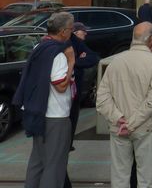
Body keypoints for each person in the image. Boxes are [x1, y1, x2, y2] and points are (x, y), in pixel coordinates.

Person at [96, 22, 152, 188]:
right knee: (146, 180)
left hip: (118, 128)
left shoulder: (116, 62)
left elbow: (102, 98)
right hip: (145, 128)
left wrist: (119, 118)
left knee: (119, 178)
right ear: (151, 40)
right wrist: (131, 123)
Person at [12, 12, 75, 188]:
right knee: (54, 165)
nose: (72, 32)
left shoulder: (38, 48)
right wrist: (71, 62)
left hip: (37, 112)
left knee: (37, 162)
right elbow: (60, 86)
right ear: (63, 31)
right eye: (71, 29)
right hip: (56, 116)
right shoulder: (59, 54)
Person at [68, 22, 99, 148]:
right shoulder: (65, 43)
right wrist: (75, 60)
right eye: (83, 30)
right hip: (64, 92)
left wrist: (74, 61)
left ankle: (68, 144)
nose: (86, 33)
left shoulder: (78, 43)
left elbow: (93, 57)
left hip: (75, 92)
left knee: (72, 121)